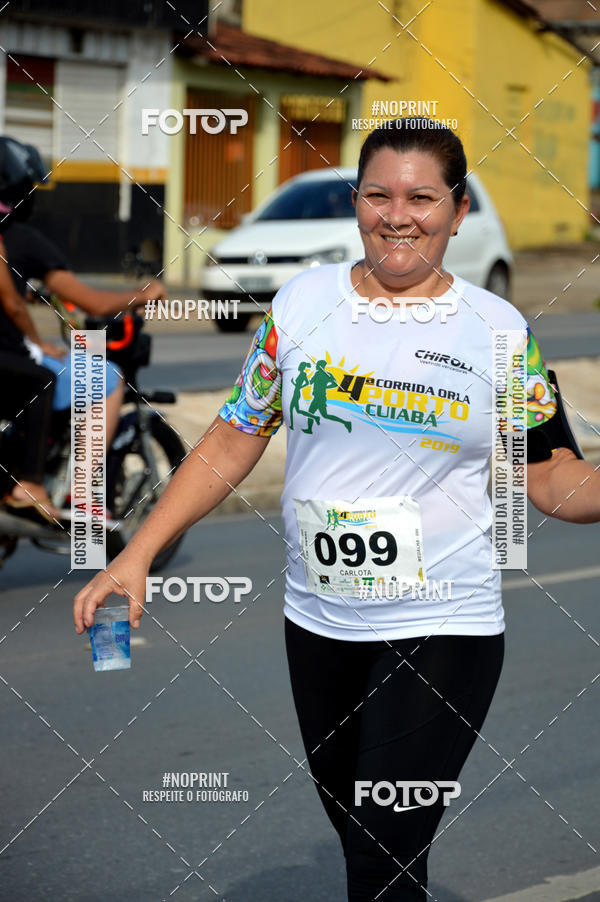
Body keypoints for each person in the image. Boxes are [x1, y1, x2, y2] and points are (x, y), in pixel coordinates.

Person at [72, 119, 600, 900]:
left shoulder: (497, 331)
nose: (398, 215)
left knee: (379, 854)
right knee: (366, 839)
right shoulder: (302, 305)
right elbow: (233, 436)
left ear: (457, 212)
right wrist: (136, 552)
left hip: (443, 624)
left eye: (422, 197)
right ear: (356, 204)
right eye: (379, 195)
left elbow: (554, 475)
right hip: (319, 625)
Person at [0, 137, 165, 519]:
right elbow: (96, 303)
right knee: (107, 377)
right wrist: (145, 292)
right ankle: (82, 491)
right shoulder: (24, 240)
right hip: (12, 356)